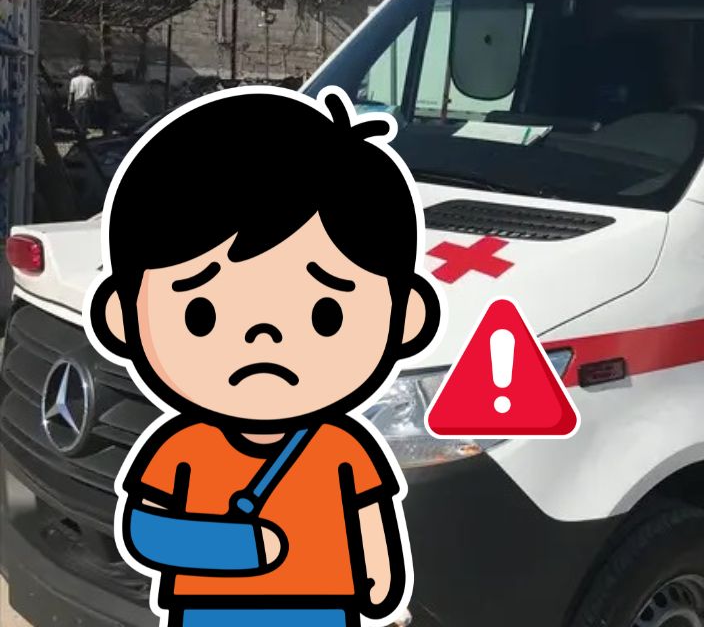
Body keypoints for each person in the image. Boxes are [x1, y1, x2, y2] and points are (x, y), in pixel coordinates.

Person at [86, 86, 443, 627]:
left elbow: (368, 518)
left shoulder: (343, 447)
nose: (263, 335)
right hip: (211, 612)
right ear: (122, 317)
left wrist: (380, 586)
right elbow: (145, 530)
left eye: (325, 314)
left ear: (406, 316)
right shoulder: (182, 447)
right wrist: (235, 551)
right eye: (201, 314)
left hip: (321, 609)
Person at [66, 66, 96, 138]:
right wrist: (94, 104)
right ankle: (84, 133)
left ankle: (80, 134)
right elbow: (93, 95)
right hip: (87, 102)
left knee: (78, 119)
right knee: (85, 120)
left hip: (78, 102)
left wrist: (69, 104)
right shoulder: (91, 80)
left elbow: (71, 93)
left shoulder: (74, 80)